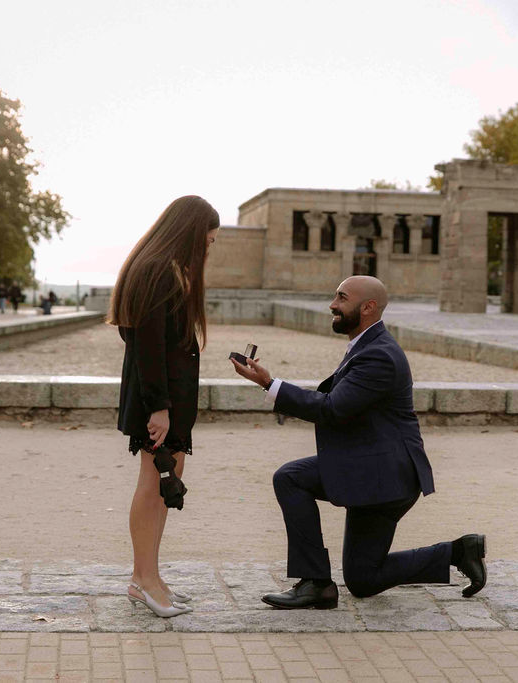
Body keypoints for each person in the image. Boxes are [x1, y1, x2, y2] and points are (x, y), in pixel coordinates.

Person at [231, 276, 486, 609]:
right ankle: (458, 552)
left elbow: (333, 409)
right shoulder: (368, 345)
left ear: (368, 307)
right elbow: (338, 403)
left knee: (290, 477)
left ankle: (316, 583)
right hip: (373, 467)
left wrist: (271, 384)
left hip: (385, 476)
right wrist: (274, 387)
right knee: (363, 579)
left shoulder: (379, 355)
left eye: (341, 298)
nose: (332, 305)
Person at [108, 195, 219, 618]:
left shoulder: (161, 268)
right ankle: (145, 581)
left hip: (166, 398)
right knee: (154, 484)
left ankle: (146, 577)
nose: (209, 247)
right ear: (189, 232)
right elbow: (147, 344)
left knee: (163, 482)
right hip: (159, 399)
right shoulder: (158, 271)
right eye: (207, 239)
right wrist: (158, 406)